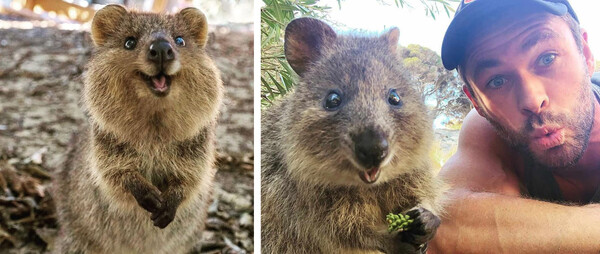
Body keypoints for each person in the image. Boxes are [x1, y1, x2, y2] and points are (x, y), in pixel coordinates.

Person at [430, 0, 600, 252]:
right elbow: (440, 222)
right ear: (476, 102)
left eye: (547, 58)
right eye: (497, 81)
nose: (532, 100)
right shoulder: (487, 131)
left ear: (586, 55)